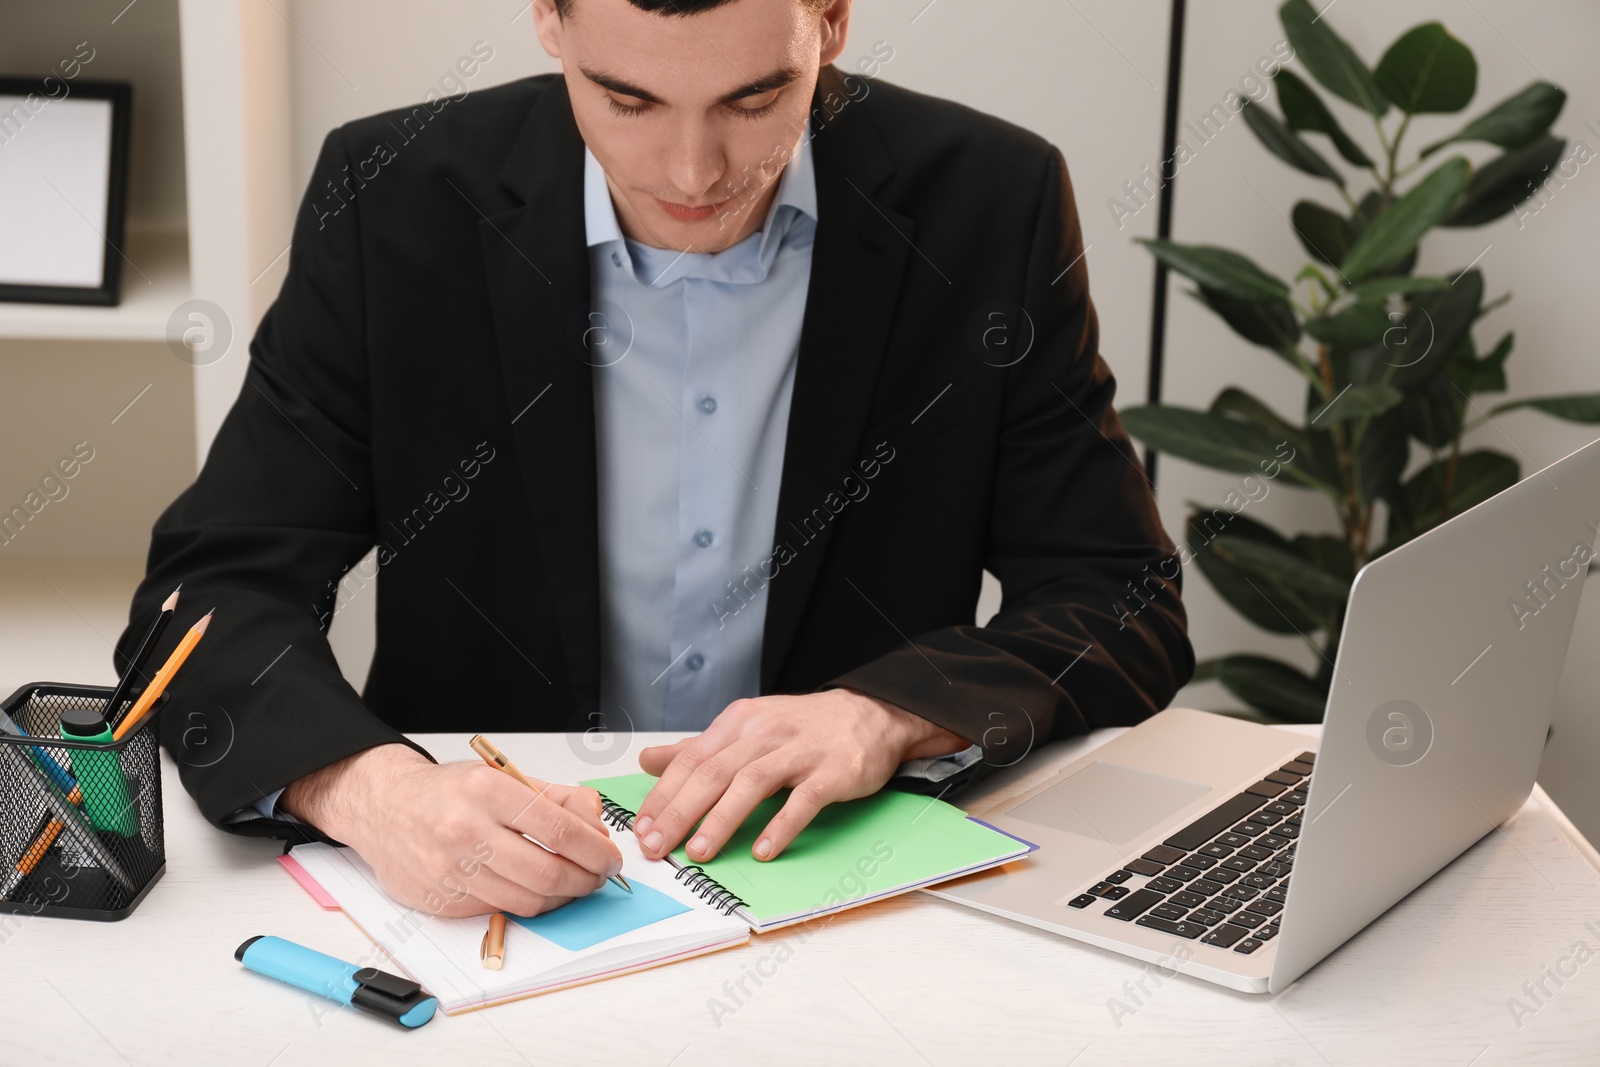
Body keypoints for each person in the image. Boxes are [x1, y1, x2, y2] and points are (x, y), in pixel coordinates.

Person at [116, 0, 1193, 919]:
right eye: (627, 101)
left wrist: (887, 711)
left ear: (830, 20)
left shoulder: (989, 201)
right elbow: (207, 594)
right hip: (487, 894)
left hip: (851, 888)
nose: (694, 173)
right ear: (548, 18)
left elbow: (1119, 596)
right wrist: (368, 789)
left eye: (755, 99)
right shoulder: (392, 194)